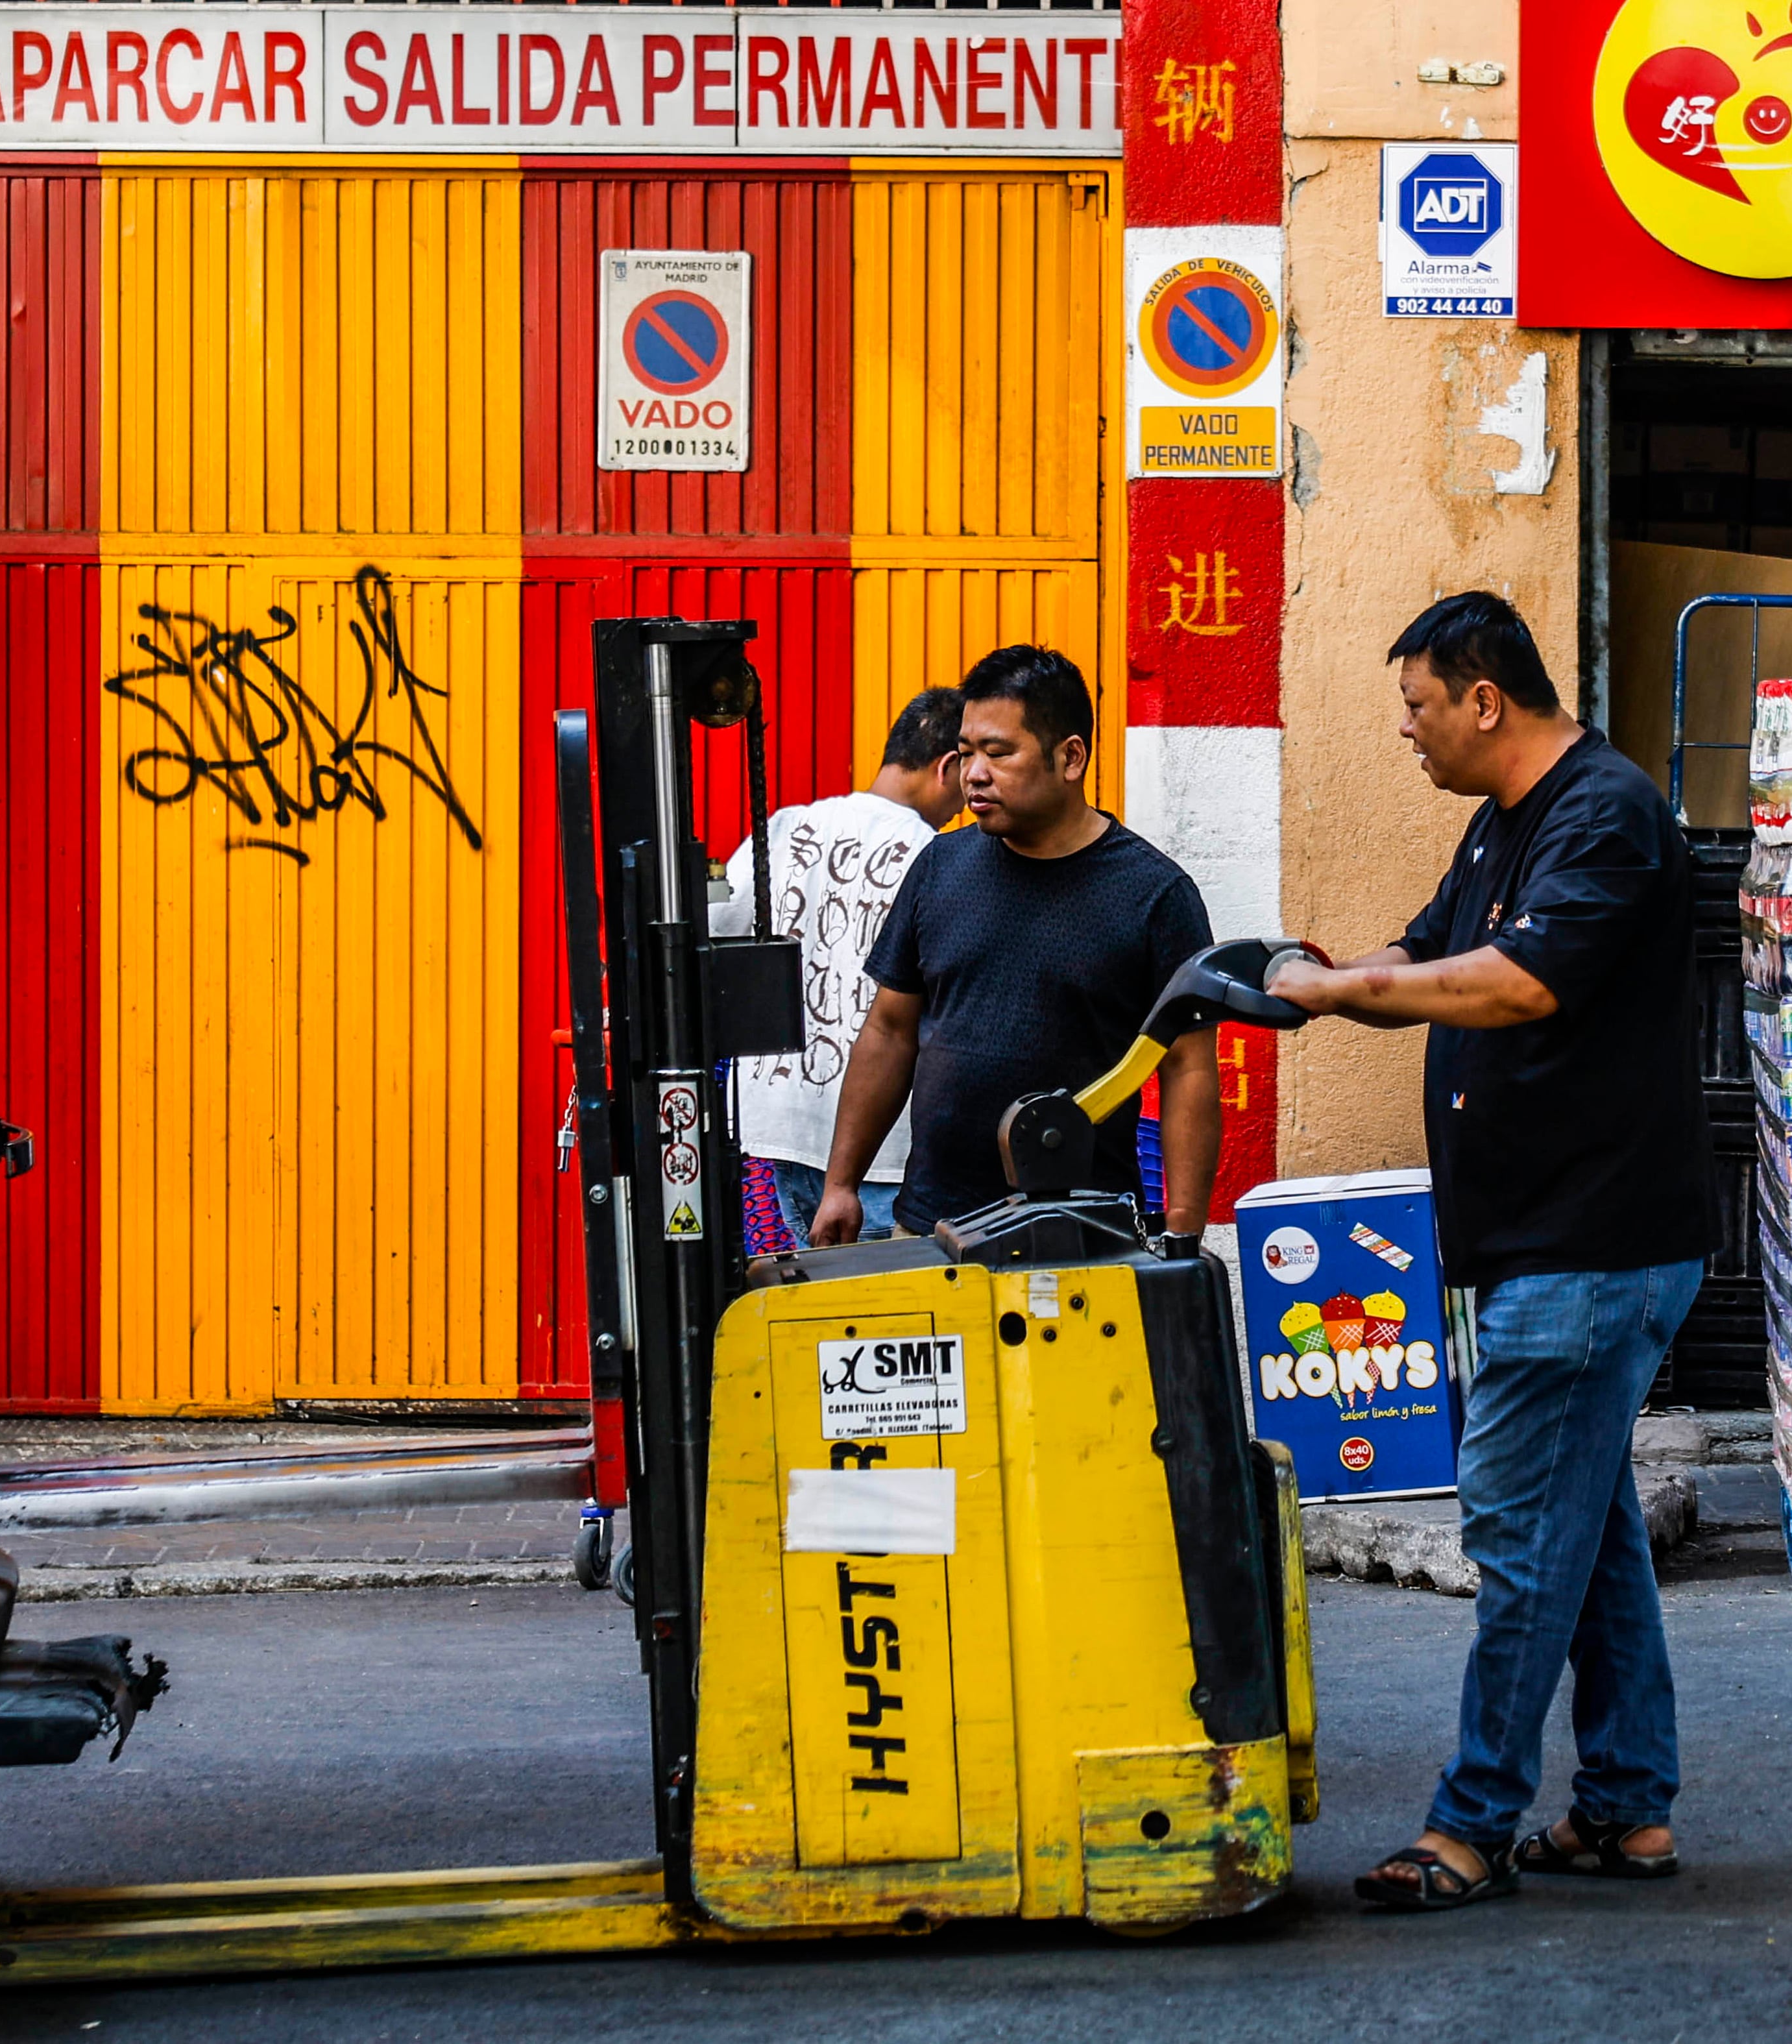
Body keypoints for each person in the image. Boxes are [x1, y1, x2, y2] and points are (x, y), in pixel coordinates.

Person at [1267, 590, 1717, 1914]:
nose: (1404, 732)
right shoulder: (1507, 821)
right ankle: (1629, 1809)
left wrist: (1348, 995)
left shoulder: (1603, 811)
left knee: (1520, 1536)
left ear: (1482, 697)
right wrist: (1326, 971)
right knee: (1589, 1538)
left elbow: (1521, 983)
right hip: (1548, 1242)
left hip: (1589, 1245)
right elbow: (1434, 945)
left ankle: (1471, 1826)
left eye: (1414, 706)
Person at [812, 646, 1222, 1248]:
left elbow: (1188, 1070)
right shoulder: (938, 868)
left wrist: (1184, 1238)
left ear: (1070, 757)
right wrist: (841, 1183)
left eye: (999, 753)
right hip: (931, 1231)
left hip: (1087, 1238)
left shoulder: (1156, 897)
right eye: (968, 752)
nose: (974, 773)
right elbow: (889, 1031)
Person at [711, 688, 967, 1244]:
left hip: (778, 1123)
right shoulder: (939, 856)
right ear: (948, 767)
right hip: (885, 1149)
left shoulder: (783, 830)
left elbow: (714, 934)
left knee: (822, 1313)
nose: (963, 810)